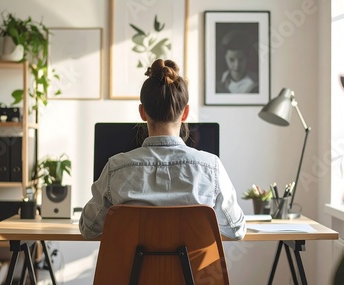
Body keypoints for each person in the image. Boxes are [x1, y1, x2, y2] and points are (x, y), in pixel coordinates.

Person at [79, 59, 246, 240]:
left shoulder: (115, 167)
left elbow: (89, 229)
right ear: (186, 113)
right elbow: (236, 230)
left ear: (142, 112)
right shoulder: (211, 167)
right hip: (192, 269)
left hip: (133, 269)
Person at [216, 29, 259, 94]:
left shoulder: (256, 84)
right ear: (225, 58)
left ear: (247, 58)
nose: (237, 65)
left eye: (241, 59)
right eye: (231, 60)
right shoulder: (220, 82)